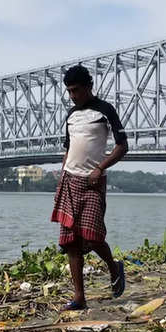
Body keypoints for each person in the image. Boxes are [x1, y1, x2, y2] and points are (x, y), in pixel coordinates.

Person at [51, 65, 128, 311]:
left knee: (93, 237)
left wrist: (100, 168)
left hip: (94, 181)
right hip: (69, 181)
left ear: (88, 86)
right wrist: (62, 176)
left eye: (75, 90)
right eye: (69, 91)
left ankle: (115, 268)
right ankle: (79, 298)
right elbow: (68, 149)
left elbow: (122, 146)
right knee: (71, 242)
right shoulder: (70, 116)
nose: (72, 95)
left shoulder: (106, 110)